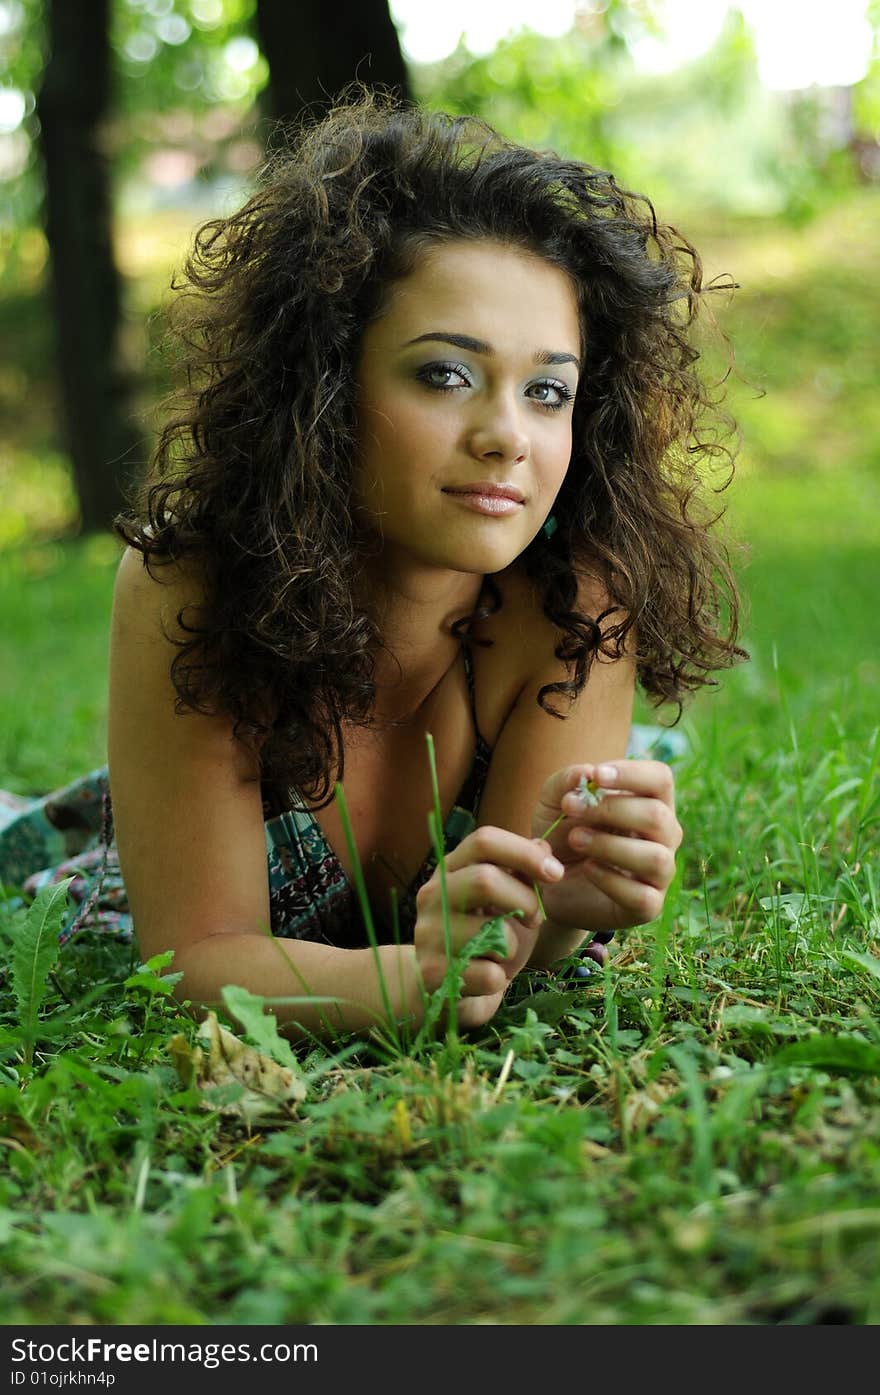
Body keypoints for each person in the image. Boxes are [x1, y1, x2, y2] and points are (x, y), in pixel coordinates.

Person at [2, 90, 745, 1039]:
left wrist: (563, 912)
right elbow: (189, 957)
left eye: (548, 390)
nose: (506, 437)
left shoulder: (577, 607)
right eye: (446, 374)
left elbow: (508, 946)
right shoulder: (190, 585)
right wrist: (405, 986)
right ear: (325, 386)